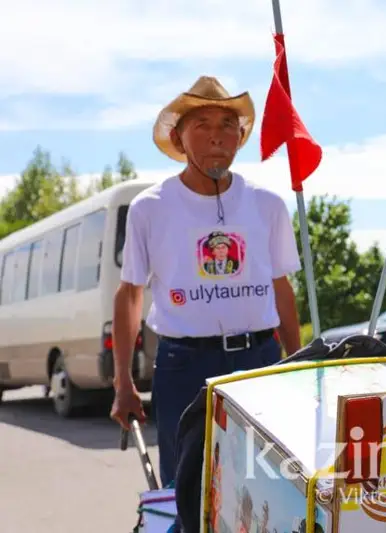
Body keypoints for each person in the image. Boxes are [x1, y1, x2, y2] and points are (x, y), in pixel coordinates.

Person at [109, 76, 303, 487]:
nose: (217, 136)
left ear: (239, 137)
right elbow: (129, 295)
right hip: (184, 366)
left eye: (227, 125)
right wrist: (122, 381)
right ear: (179, 139)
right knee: (189, 488)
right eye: (203, 125)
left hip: (259, 363)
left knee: (265, 486)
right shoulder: (150, 209)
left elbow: (281, 289)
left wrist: (300, 364)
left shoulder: (267, 205)